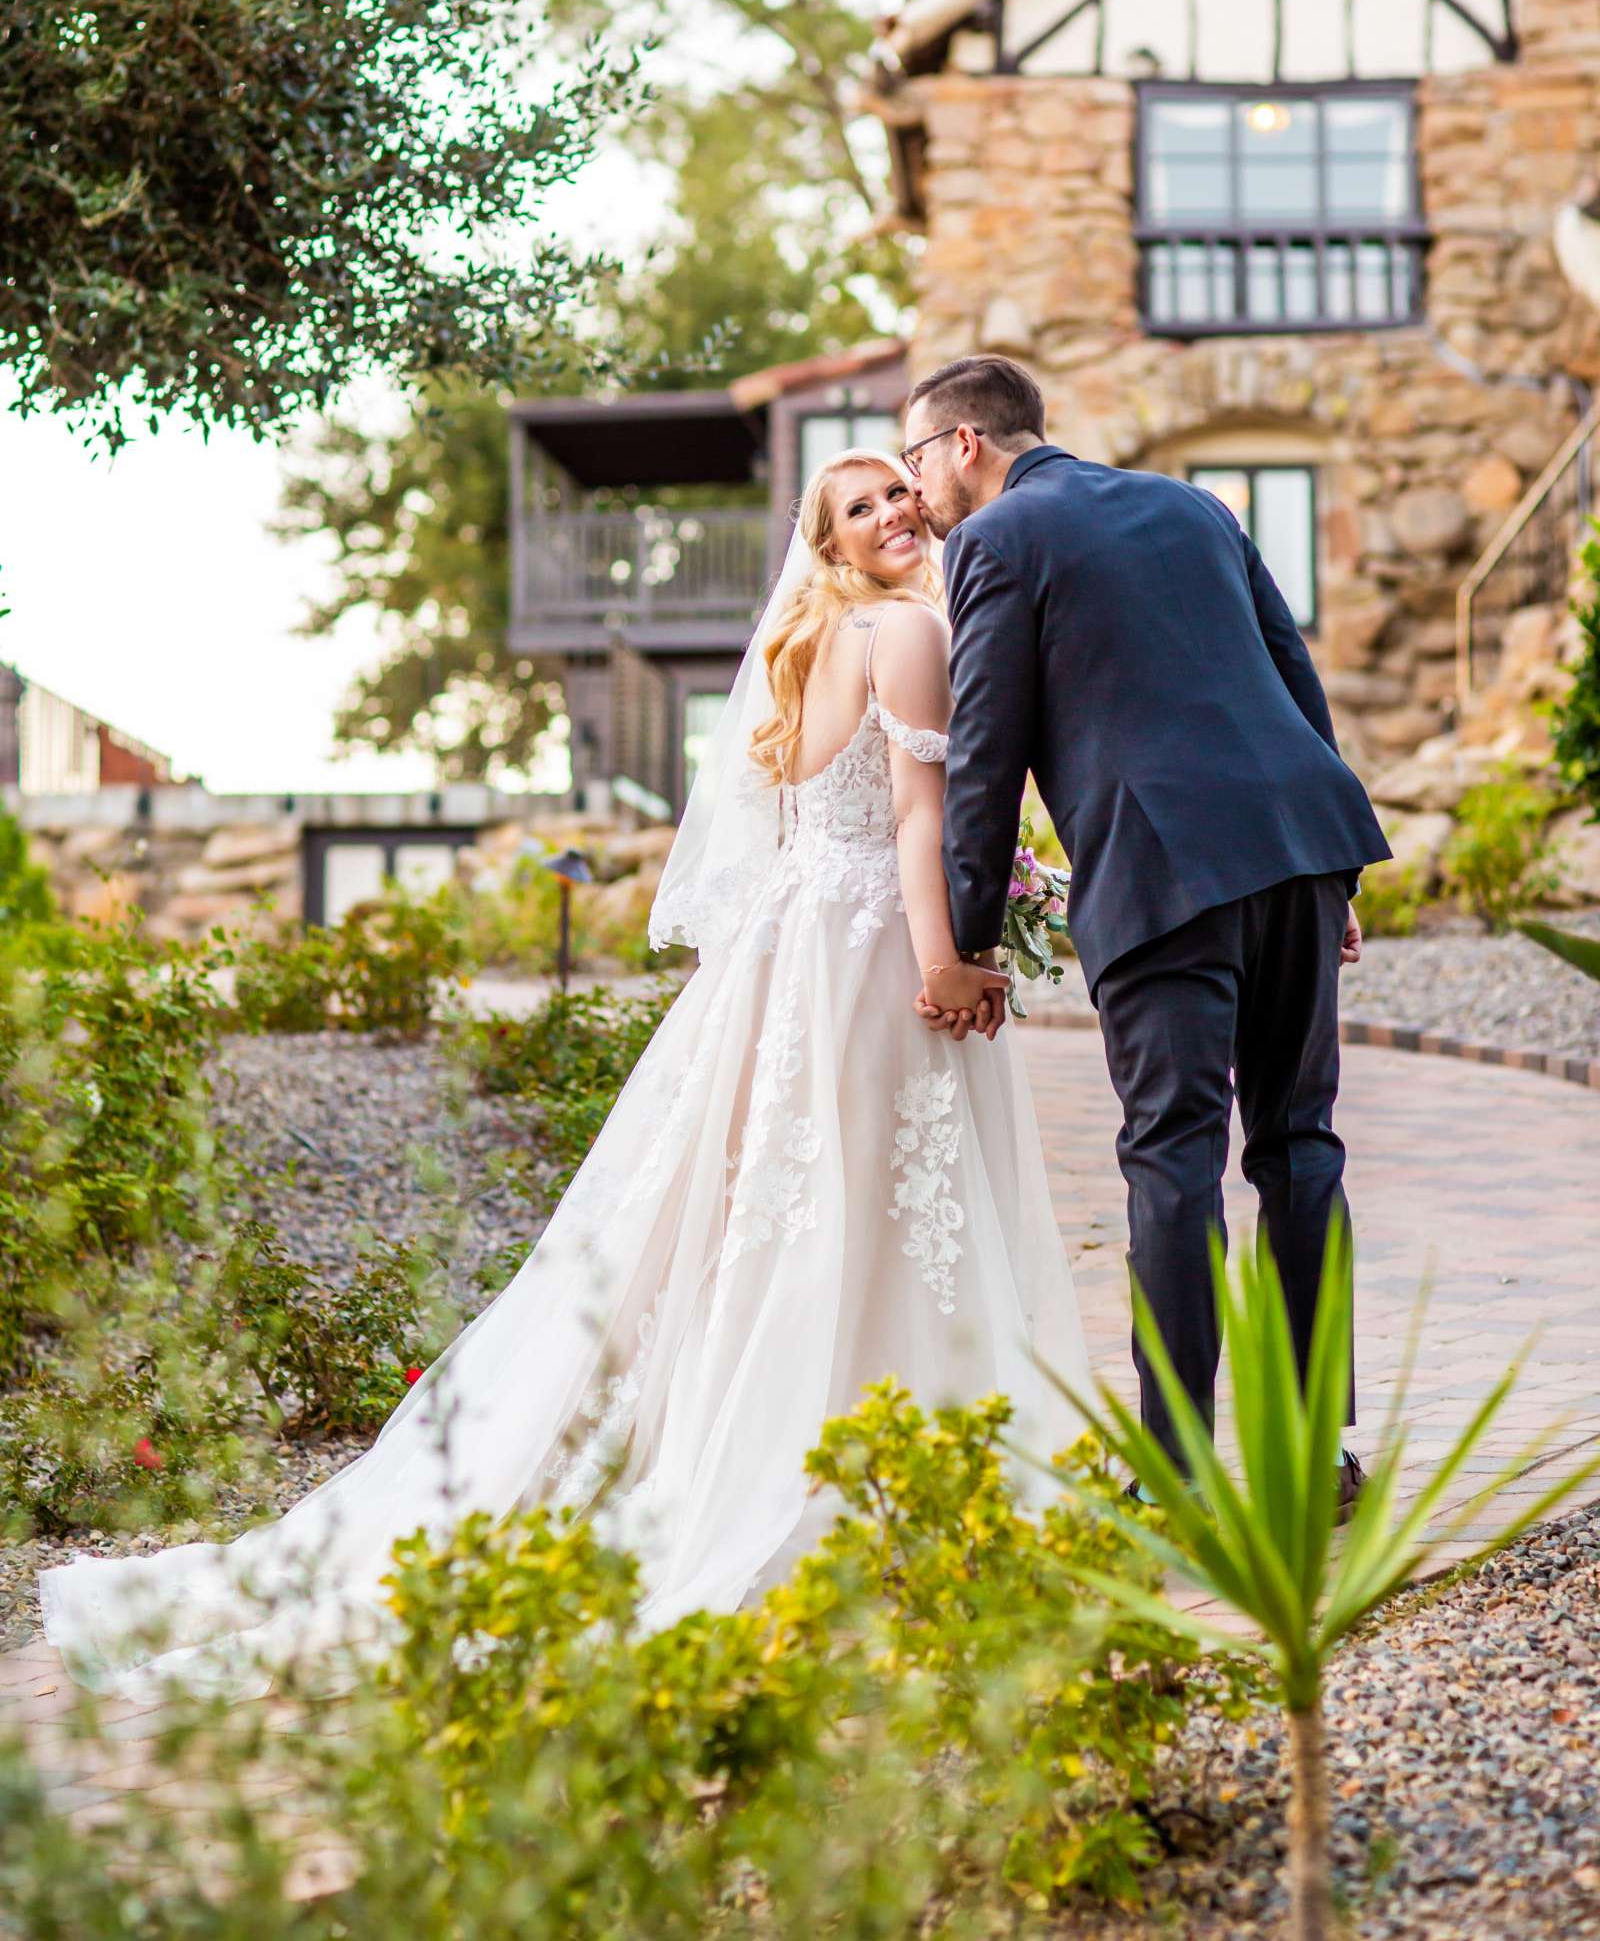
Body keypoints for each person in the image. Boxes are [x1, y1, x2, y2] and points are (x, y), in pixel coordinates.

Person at [39, 450, 1088, 1703]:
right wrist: (947, 959)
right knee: (863, 1204)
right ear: (833, 544)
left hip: (793, 947)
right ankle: (867, 1473)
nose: (895, 512)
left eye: (898, 494)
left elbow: (816, 821)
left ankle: (831, 1449)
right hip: (865, 950)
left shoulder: (814, 644)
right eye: (861, 506)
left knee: (805, 1205)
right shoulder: (903, 633)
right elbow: (919, 819)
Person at [904, 358, 1391, 1506]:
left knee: (1171, 1157)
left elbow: (986, 749)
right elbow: (1291, 674)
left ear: (966, 442)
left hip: (1164, 870)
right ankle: (1317, 1456)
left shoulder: (993, 543)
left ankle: (1173, 1469)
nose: (915, 489)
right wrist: (1331, 870)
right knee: (1298, 1146)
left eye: (917, 459)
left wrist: (969, 938)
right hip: (1297, 848)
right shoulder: (1190, 504)